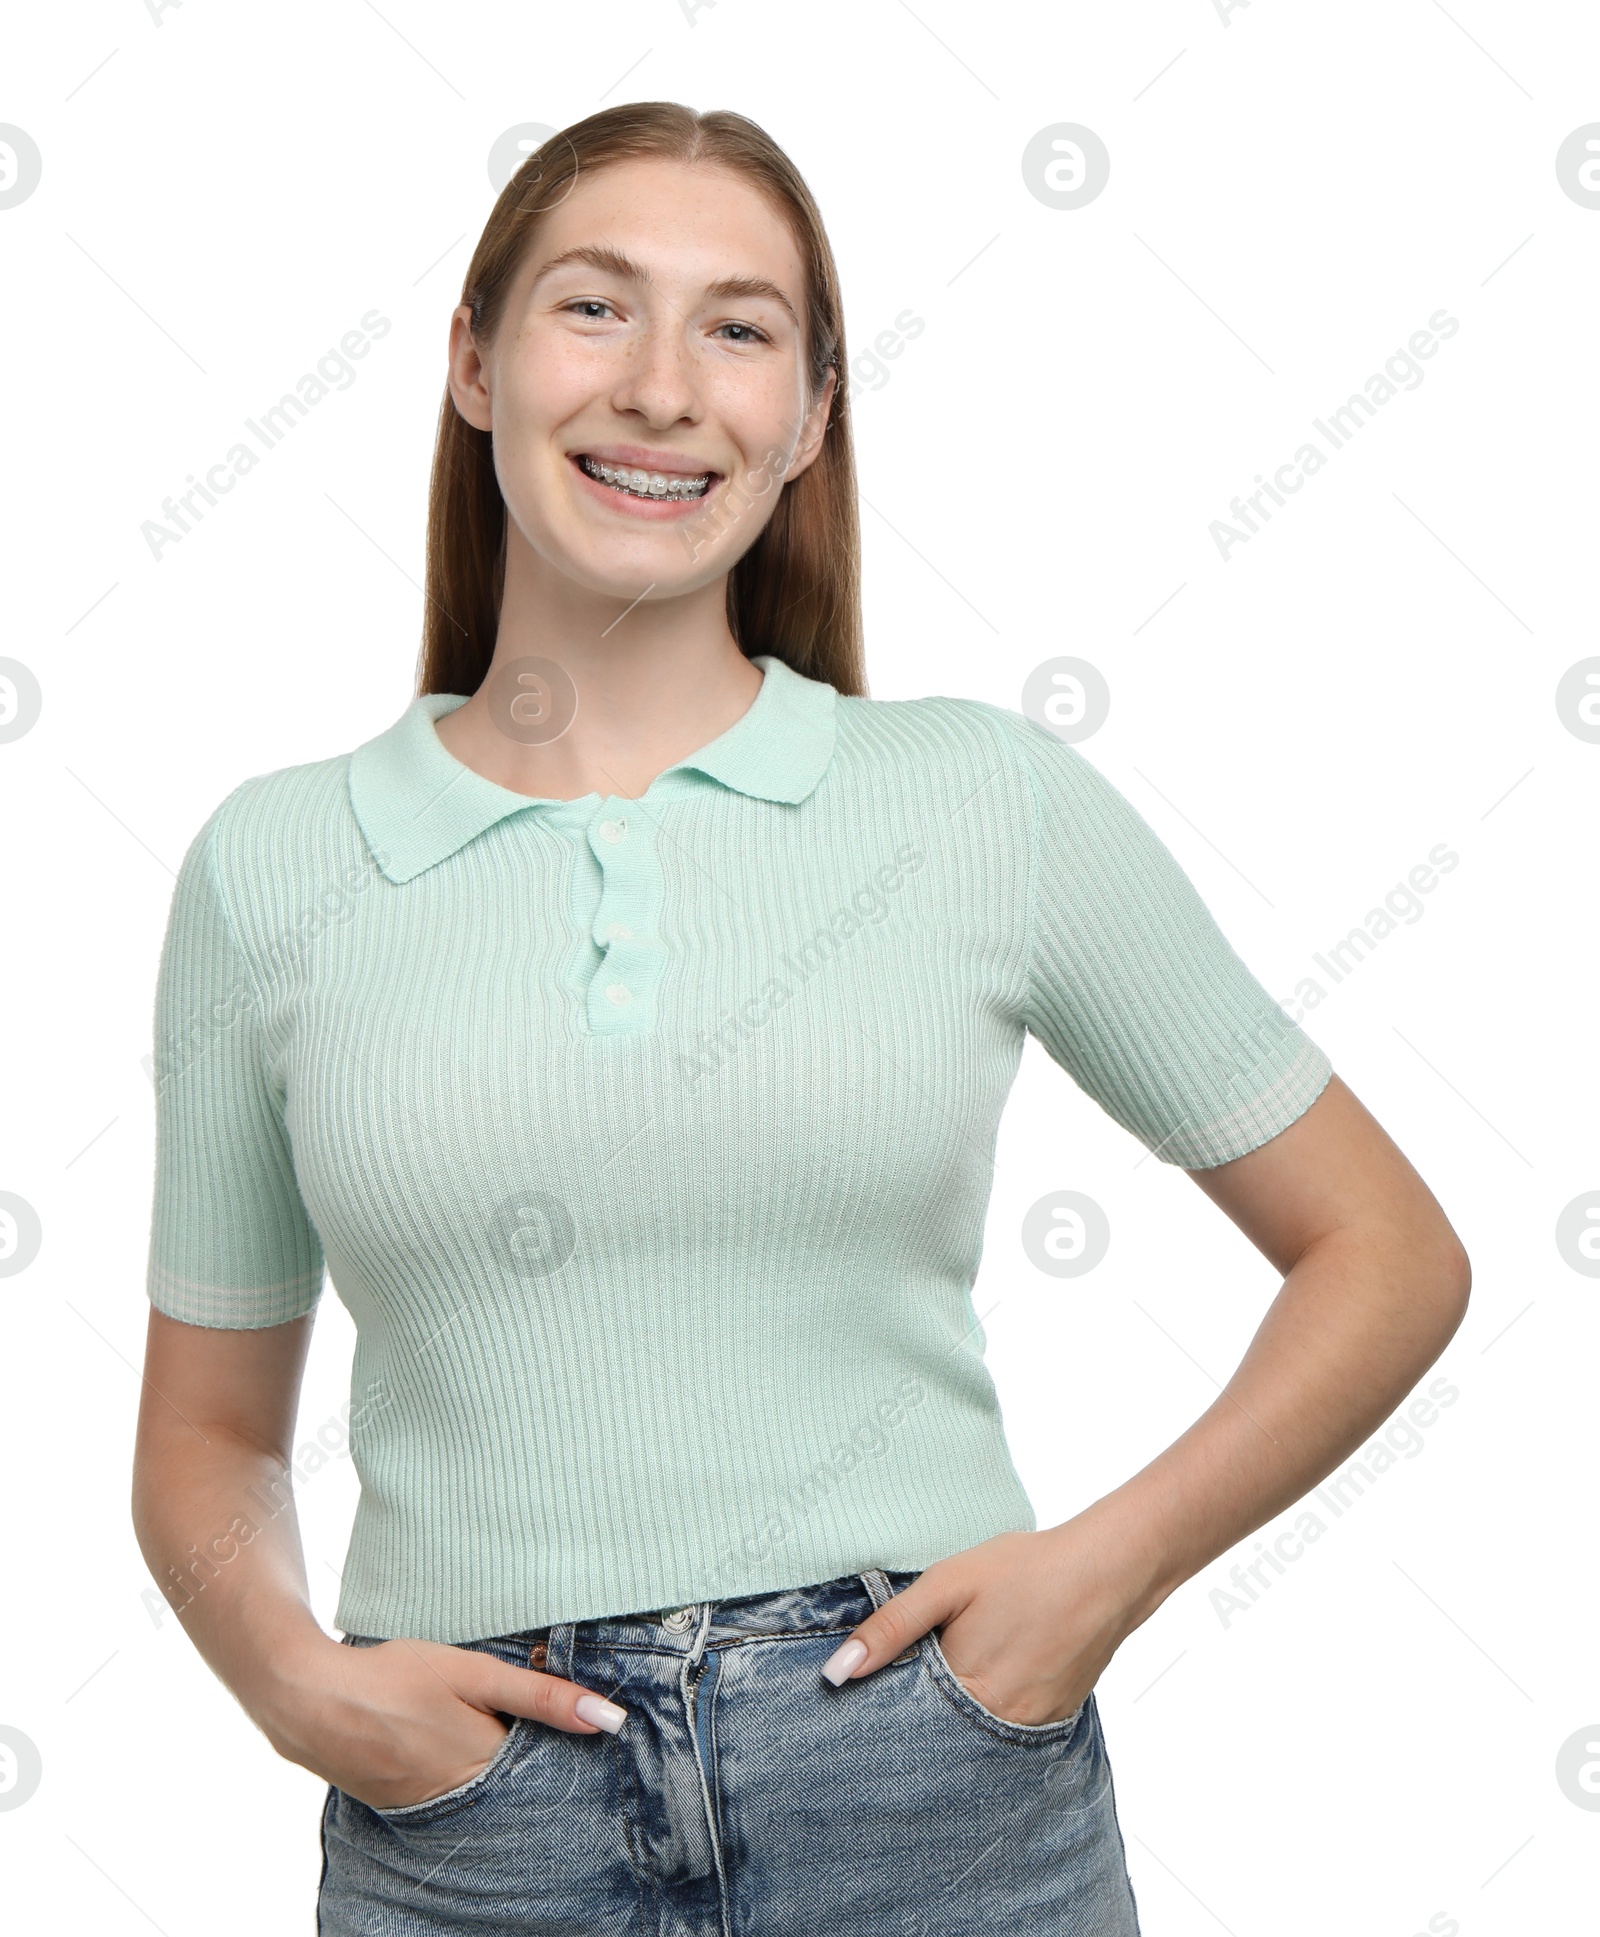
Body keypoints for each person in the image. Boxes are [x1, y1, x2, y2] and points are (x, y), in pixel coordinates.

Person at [131, 101, 1471, 1935]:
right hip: (475, 1831)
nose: (665, 386)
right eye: (594, 308)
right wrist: (290, 1675)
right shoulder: (273, 866)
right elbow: (206, 1434)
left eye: (741, 328)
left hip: (933, 1787)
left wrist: (1098, 1576)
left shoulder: (973, 803)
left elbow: (1385, 1248)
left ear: (814, 416)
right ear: (473, 361)